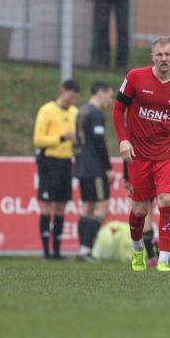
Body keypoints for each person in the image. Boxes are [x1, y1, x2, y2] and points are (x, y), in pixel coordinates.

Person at [112, 37, 170, 272]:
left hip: (166, 155)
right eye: (159, 55)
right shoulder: (135, 77)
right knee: (139, 210)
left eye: (168, 54)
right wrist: (123, 140)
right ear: (152, 57)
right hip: (137, 155)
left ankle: (164, 260)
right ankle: (137, 249)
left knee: (167, 201)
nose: (164, 59)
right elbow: (118, 109)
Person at [33, 80, 80, 259]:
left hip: (66, 163)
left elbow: (78, 138)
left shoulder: (76, 113)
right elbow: (38, 139)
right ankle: (46, 251)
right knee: (46, 205)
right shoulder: (47, 110)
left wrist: (76, 139)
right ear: (62, 91)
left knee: (61, 206)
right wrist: (61, 138)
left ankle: (57, 251)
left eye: (74, 99)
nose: (71, 102)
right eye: (69, 97)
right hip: (49, 161)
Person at [74, 81, 115, 261]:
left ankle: (82, 250)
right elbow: (100, 143)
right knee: (102, 206)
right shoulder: (96, 113)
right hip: (95, 167)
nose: (111, 100)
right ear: (100, 93)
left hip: (82, 165)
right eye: (109, 95)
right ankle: (85, 249)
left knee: (87, 207)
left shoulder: (81, 111)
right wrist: (108, 168)